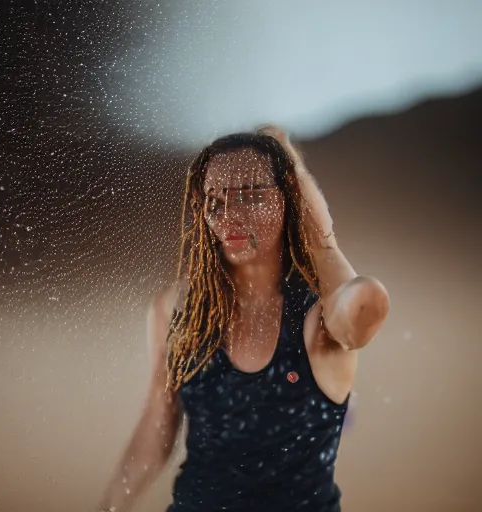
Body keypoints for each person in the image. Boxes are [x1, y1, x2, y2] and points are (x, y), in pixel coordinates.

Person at [97, 126, 390, 512]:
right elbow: (157, 427)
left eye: (251, 195)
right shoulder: (179, 309)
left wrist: (319, 232)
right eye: (215, 200)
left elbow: (367, 302)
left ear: (289, 201)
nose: (229, 215)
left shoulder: (319, 318)